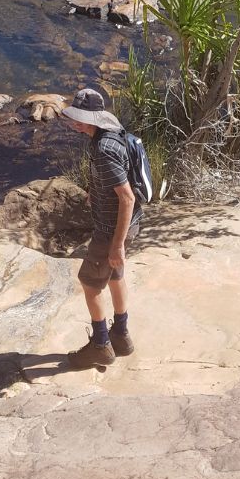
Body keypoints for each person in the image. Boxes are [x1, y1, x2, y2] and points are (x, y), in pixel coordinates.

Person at [62, 88, 141, 369]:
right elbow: (120, 177)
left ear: (96, 118)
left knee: (90, 282)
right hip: (127, 225)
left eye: (82, 119)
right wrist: (94, 189)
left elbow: (127, 197)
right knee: (115, 276)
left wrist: (116, 244)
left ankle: (101, 345)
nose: (76, 123)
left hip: (111, 229)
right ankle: (122, 336)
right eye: (76, 117)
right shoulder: (112, 135)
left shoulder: (103, 149)